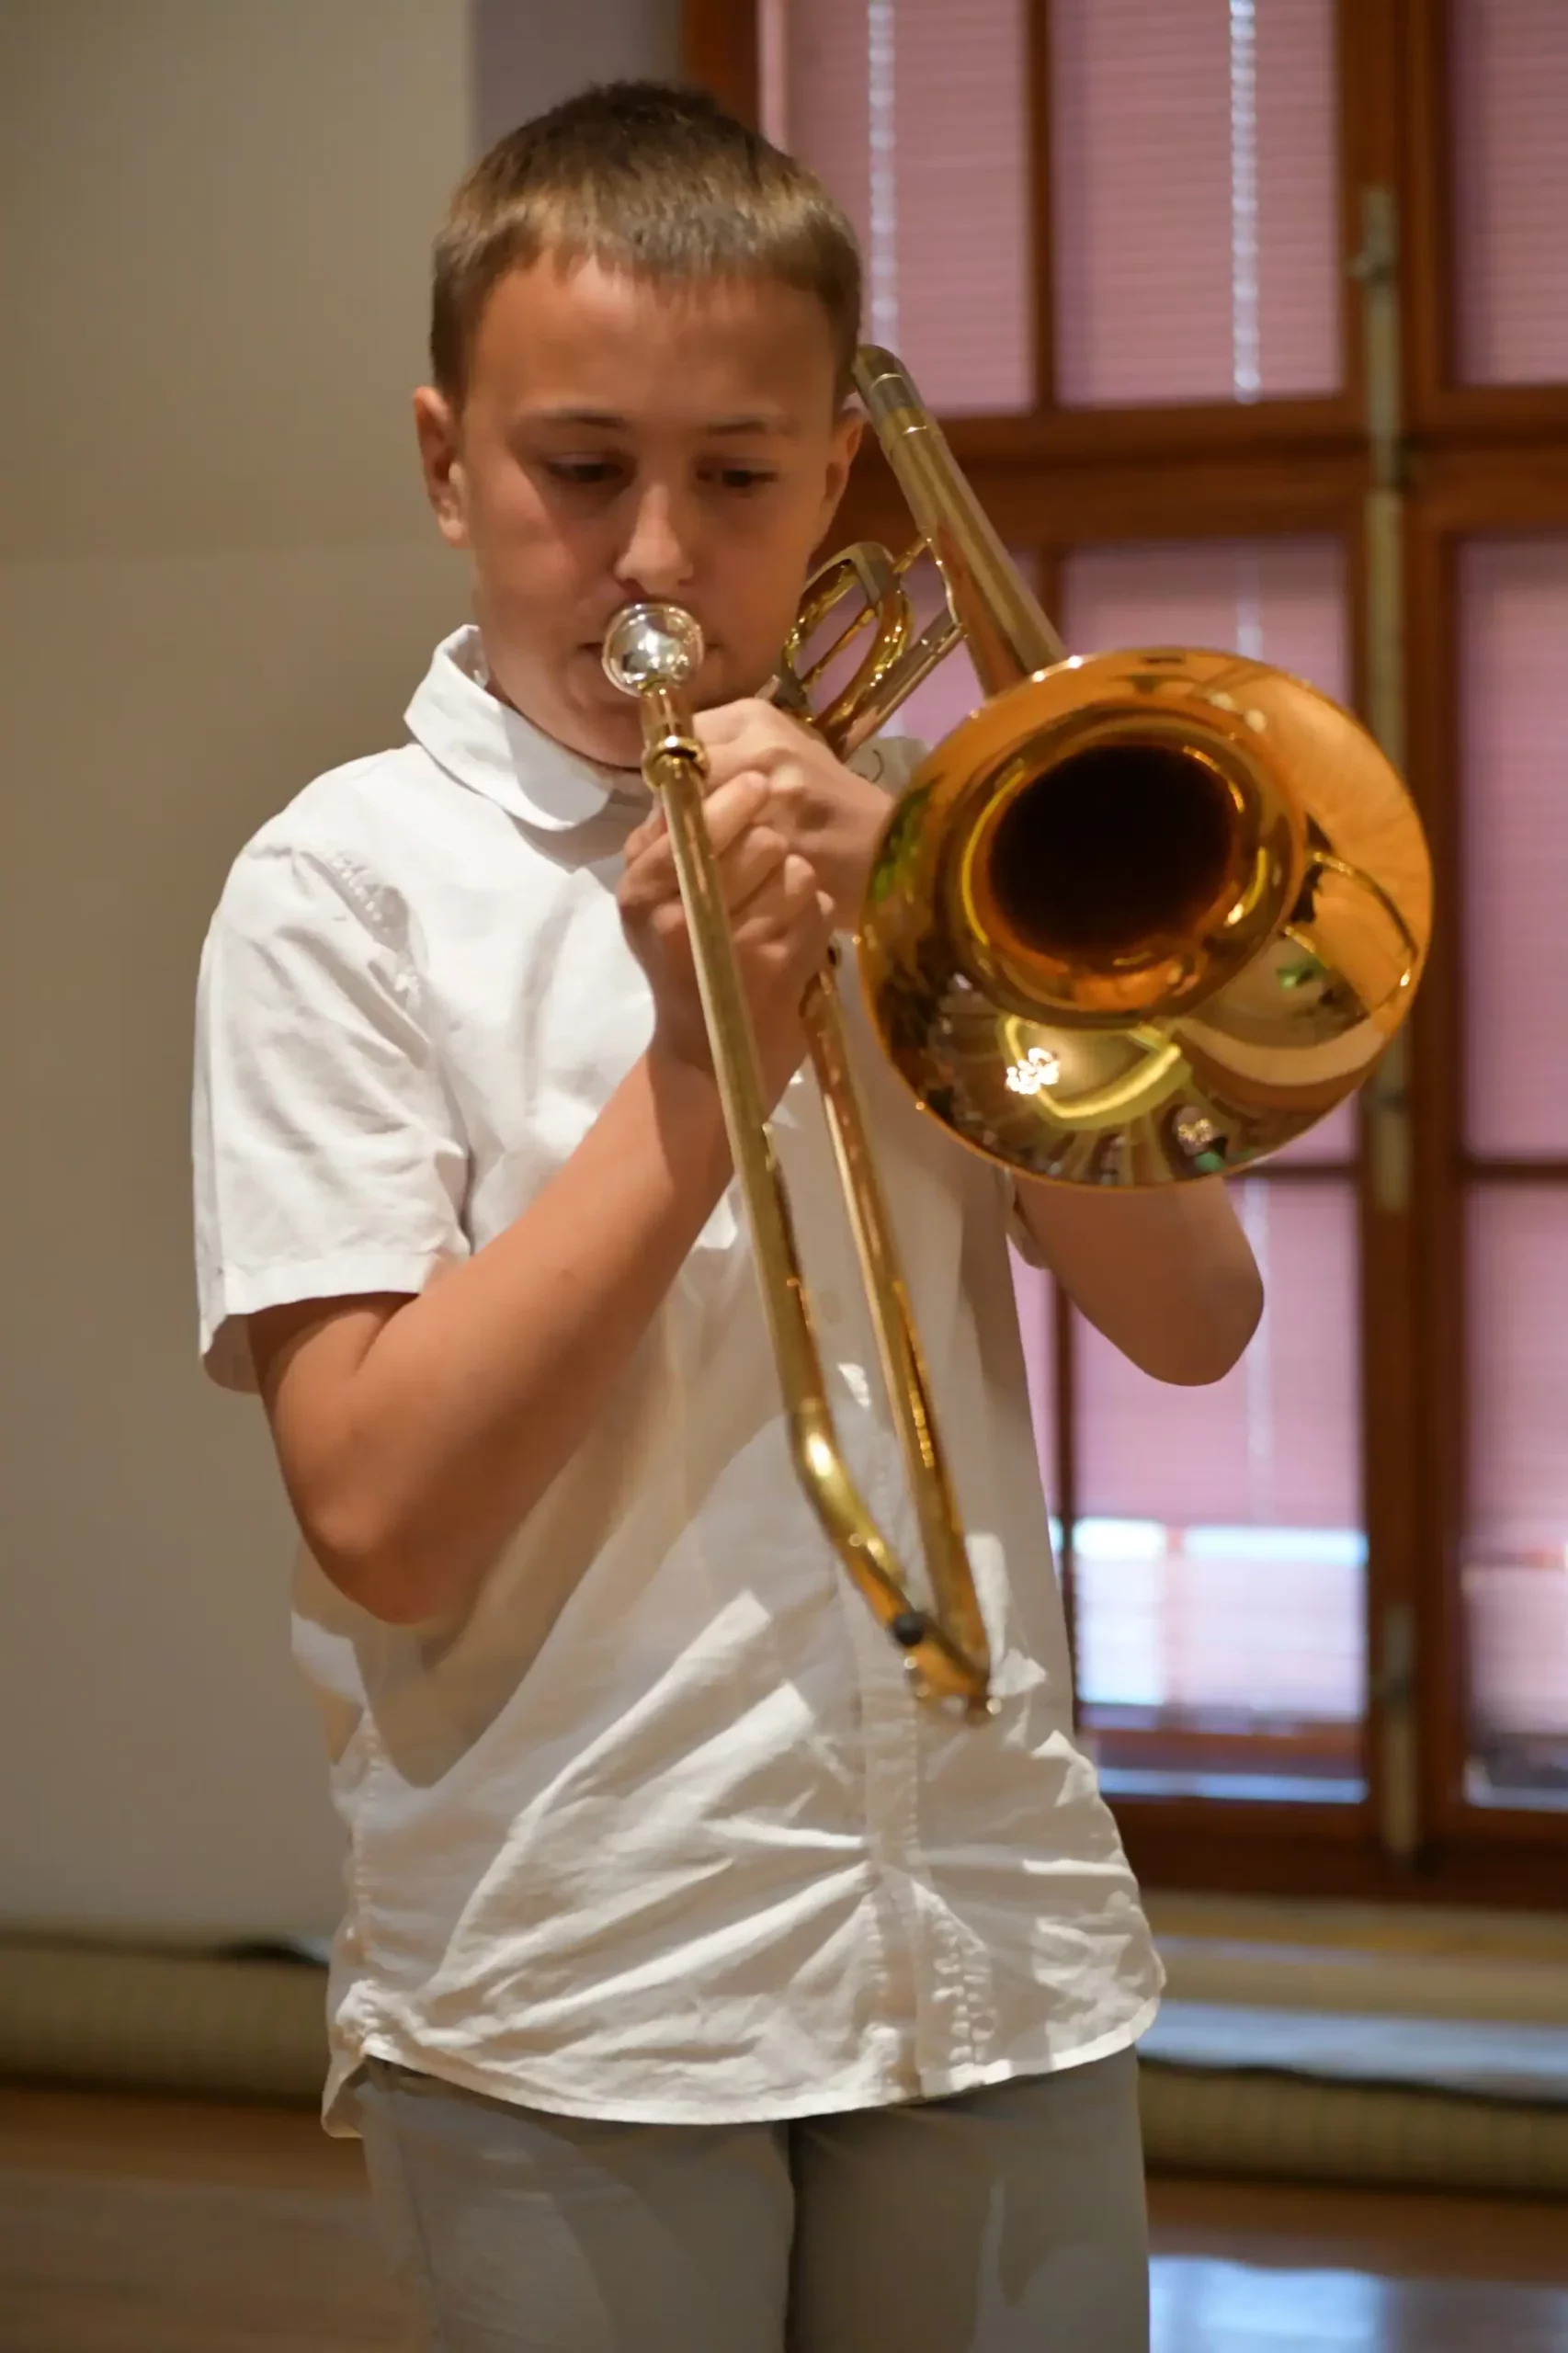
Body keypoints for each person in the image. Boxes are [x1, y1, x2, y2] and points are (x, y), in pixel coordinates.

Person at [192, 79, 1263, 2353]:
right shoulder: (344, 888)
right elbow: (377, 1506)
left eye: (740, 477)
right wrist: (701, 1078)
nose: (659, 556)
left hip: (988, 1943)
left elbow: (1196, 1318)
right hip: (586, 1979)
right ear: (442, 463)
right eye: (580, 471)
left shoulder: (918, 849)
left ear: (839, 481)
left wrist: (931, 922)